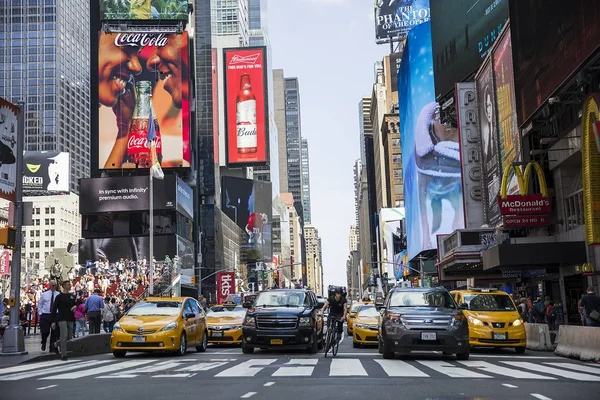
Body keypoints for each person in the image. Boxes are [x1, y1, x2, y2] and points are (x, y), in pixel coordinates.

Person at [51, 280, 76, 361]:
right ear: (64, 286)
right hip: (62, 318)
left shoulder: (72, 296)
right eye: (68, 284)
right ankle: (63, 355)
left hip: (70, 318)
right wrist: (53, 321)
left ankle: (55, 344)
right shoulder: (59, 297)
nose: (70, 286)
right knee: (64, 335)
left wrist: (75, 306)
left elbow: (76, 304)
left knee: (68, 337)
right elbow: (54, 309)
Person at [38, 281, 59, 353]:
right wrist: (40, 313)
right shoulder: (44, 295)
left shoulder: (58, 295)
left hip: (54, 314)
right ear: (50, 286)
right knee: (45, 331)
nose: (54, 287)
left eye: (55, 285)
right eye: (53, 285)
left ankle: (52, 347)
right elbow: (40, 304)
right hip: (45, 314)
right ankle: (43, 341)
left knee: (54, 332)